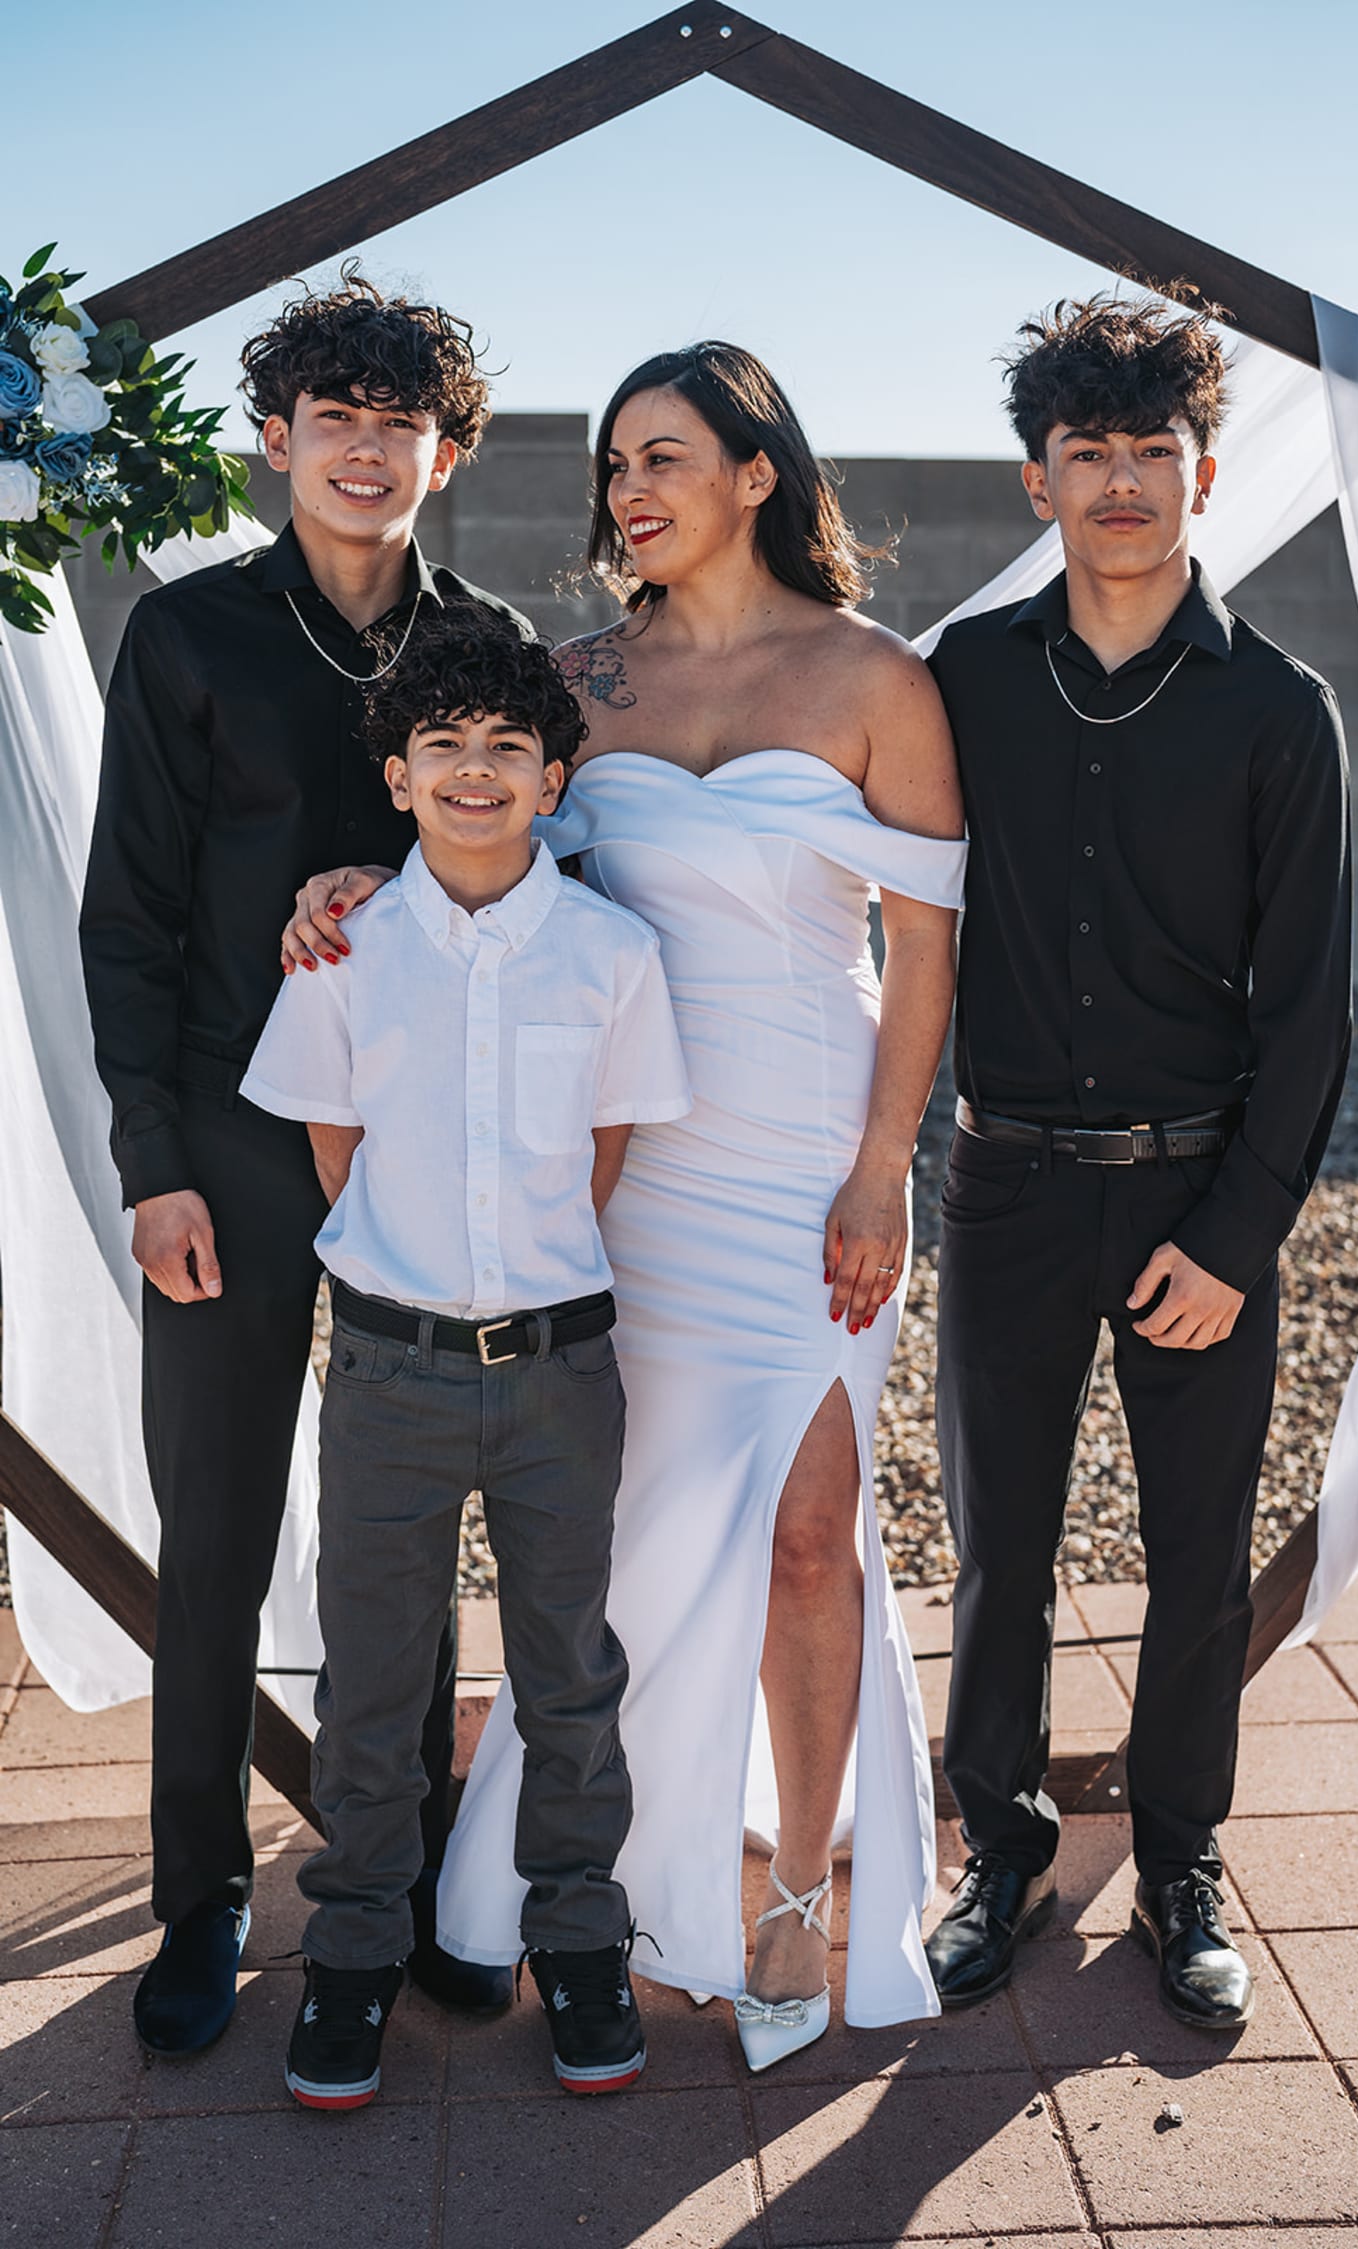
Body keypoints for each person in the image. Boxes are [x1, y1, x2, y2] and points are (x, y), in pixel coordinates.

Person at [282, 341, 967, 2070]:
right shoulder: (576, 680)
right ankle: (591, 1884)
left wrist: (888, 1161)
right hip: (632, 1176)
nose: (629, 493)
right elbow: (481, 835)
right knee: (619, 1547)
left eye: (664, 456)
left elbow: (924, 941)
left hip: (818, 1161)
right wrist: (367, 876)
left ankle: (801, 1888)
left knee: (815, 1533)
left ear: (758, 471)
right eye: (613, 468)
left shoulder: (879, 677)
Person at [78, 273, 529, 2056]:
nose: (362, 447)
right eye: (329, 416)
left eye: (395, 419)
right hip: (232, 1149)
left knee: (401, 1532)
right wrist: (152, 1163)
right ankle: (198, 1897)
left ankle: (400, 1878)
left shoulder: (483, 640)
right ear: (277, 441)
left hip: (429, 1151)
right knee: (220, 1527)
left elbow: (519, 866)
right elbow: (124, 924)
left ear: (443, 447)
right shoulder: (188, 636)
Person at [923, 297, 1351, 2030]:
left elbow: (1309, 1012)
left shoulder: (1280, 710)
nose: (1118, 484)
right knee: (999, 1545)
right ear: (1038, 480)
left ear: (1204, 472)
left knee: (1195, 1551)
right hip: (1007, 1184)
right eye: (1085, 454)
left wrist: (1240, 1233)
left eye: (1148, 452)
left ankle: (1180, 1857)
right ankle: (1001, 1853)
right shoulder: (959, 686)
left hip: (1195, 1194)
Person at [242, 607, 690, 2106]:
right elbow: (333, 1147)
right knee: (374, 1680)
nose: (478, 771)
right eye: (445, 746)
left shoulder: (613, 954)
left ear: (555, 779)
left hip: (560, 1372)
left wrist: (520, 1291)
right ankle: (360, 1947)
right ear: (397, 775)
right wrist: (427, 1283)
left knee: (568, 1668)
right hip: (388, 1372)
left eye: (510, 747)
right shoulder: (345, 948)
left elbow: (605, 1152)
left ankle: (577, 1935)